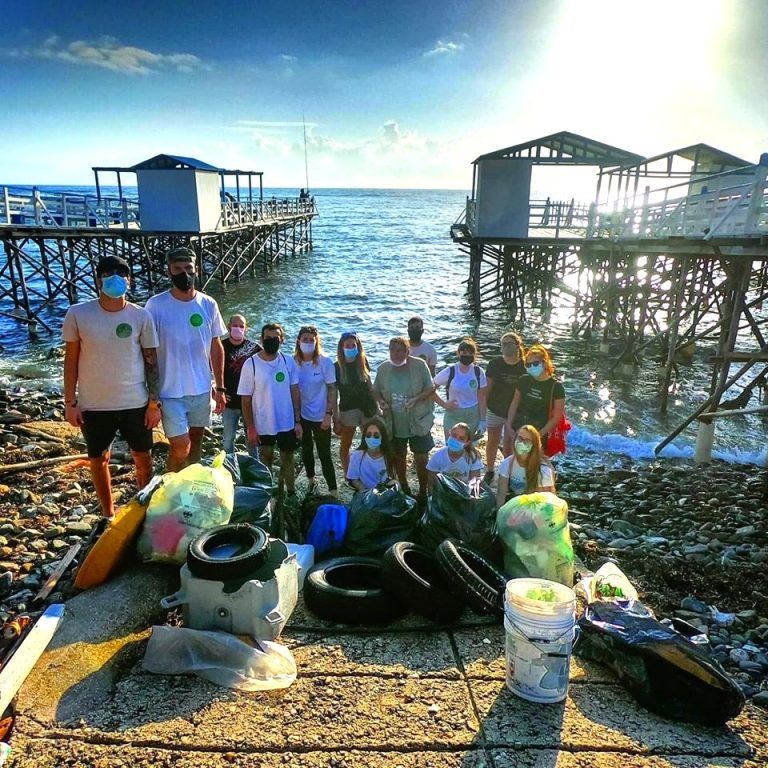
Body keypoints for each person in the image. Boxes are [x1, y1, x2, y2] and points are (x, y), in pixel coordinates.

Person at [63, 255, 160, 517]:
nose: (115, 277)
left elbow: (151, 361)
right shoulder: (78, 313)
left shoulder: (141, 316)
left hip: (135, 402)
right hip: (94, 404)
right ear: (98, 279)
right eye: (108, 273)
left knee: (143, 459)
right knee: (98, 459)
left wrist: (154, 403)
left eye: (121, 273)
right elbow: (70, 361)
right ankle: (108, 514)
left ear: (129, 280)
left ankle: (143, 511)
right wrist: (69, 402)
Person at [145, 247, 227, 472]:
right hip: (170, 392)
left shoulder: (208, 304)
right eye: (178, 269)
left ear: (196, 270)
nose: (184, 273)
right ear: (168, 272)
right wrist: (152, 396)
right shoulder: (156, 305)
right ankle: (169, 482)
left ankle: (190, 485)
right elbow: (148, 352)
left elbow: (216, 346)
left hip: (200, 388)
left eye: (188, 268)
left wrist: (219, 388)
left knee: (197, 440)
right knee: (180, 446)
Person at [238, 322, 302, 494]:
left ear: (282, 340)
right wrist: (250, 427)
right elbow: (245, 399)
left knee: (288, 458)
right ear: (262, 339)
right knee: (266, 457)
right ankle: (266, 493)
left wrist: (298, 421)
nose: (271, 341)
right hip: (263, 422)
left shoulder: (288, 362)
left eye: (275, 338)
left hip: (286, 422)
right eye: (268, 338)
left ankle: (290, 492)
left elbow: (295, 391)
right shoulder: (250, 364)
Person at [373, 336, 435, 503]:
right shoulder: (383, 368)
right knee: (398, 456)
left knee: (421, 457)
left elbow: (431, 388)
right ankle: (405, 487)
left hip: (418, 420)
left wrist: (416, 399)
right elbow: (375, 390)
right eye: (392, 350)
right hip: (394, 422)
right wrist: (381, 402)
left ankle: (423, 491)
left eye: (400, 350)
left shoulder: (419, 366)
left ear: (408, 351)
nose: (396, 354)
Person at [294, 325, 337, 495]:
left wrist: (329, 415)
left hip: (321, 416)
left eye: (312, 340)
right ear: (299, 341)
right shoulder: (293, 363)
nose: (308, 342)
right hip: (302, 415)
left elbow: (332, 389)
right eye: (305, 339)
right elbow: (292, 390)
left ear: (317, 341)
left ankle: (333, 490)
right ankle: (311, 481)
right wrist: (296, 418)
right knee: (306, 450)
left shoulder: (325, 362)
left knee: (324, 454)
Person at [505, 344, 565, 455]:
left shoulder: (556, 387)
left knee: (534, 467)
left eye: (535, 363)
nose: (532, 367)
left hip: (540, 432)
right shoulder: (524, 380)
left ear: (545, 362)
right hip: (519, 428)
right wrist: (508, 424)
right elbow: (514, 403)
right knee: (516, 462)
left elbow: (556, 417)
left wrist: (538, 435)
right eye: (528, 364)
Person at [484, 332, 527, 482]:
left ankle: (507, 471)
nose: (507, 347)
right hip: (495, 408)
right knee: (492, 440)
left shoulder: (524, 365)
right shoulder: (494, 364)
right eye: (504, 344)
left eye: (510, 344)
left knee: (510, 444)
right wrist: (483, 410)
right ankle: (490, 469)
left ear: (517, 346)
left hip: (515, 412)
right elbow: (487, 389)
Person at [333, 332, 377, 475]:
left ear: (358, 346)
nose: (351, 348)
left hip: (367, 408)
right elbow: (333, 394)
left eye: (353, 345)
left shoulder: (363, 362)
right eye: (347, 345)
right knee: (345, 445)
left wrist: (378, 405)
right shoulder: (337, 367)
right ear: (342, 347)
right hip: (348, 410)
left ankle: (366, 470)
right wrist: (335, 418)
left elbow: (370, 387)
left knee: (369, 442)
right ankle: (348, 474)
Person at [433, 337, 488, 440]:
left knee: (468, 447)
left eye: (470, 352)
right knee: (451, 445)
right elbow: (431, 388)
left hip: (473, 414)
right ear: (458, 353)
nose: (467, 355)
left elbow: (482, 398)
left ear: (474, 355)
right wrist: (444, 404)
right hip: (453, 414)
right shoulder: (450, 371)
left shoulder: (478, 372)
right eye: (464, 352)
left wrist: (483, 420)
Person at [221, 314, 261, 454]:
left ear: (246, 328)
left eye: (241, 326)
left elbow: (264, 371)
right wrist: (216, 391)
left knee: (252, 438)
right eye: (235, 325)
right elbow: (207, 369)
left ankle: (254, 467)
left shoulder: (255, 348)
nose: (238, 328)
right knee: (228, 439)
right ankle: (229, 468)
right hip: (229, 402)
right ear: (228, 327)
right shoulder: (220, 346)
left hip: (249, 403)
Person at [496, 425, 556, 506]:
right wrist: (499, 514)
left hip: (536, 507)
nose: (522, 442)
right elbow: (501, 494)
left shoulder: (543, 470)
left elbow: (547, 501)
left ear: (534, 445)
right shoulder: (507, 463)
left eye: (527, 440)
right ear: (515, 439)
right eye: (520, 438)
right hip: (515, 503)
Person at [426, 422, 484, 490]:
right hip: (443, 492)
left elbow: (475, 482)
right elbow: (431, 482)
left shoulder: (473, 457)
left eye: (461, 439)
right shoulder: (438, 456)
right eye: (454, 436)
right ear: (449, 434)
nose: (456, 440)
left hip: (465, 493)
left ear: (467, 443)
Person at [346, 417, 395, 491]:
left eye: (376, 435)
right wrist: (366, 493)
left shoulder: (389, 457)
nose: (372, 438)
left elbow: (393, 479)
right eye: (368, 435)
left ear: (382, 437)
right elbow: (354, 480)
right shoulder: (356, 456)